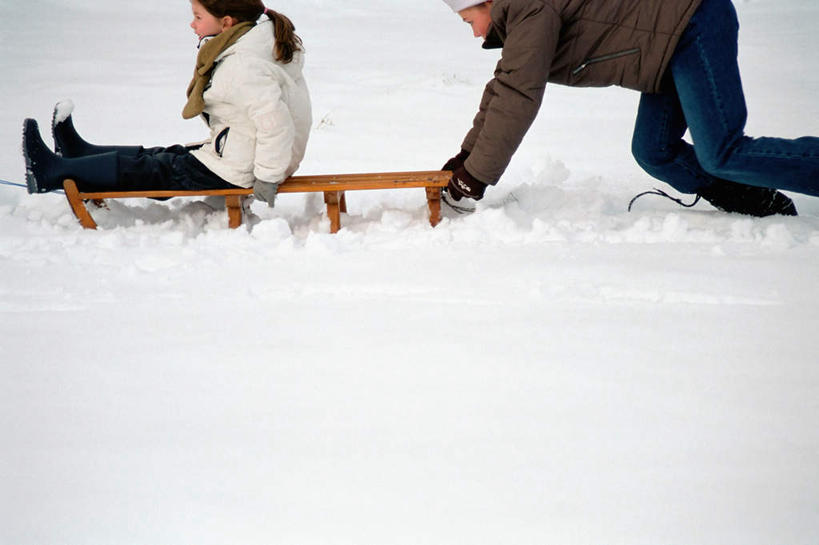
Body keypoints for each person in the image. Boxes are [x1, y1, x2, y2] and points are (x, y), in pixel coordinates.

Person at [440, 0, 819, 217]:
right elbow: (504, 86)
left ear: (487, 2)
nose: (475, 32)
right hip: (667, 44)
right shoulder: (523, 14)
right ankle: (755, 198)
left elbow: (517, 95)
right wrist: (466, 158)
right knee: (654, 151)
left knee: (721, 151)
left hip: (692, 22)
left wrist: (476, 176)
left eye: (470, 20)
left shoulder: (530, 9)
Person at [23, 0, 311, 208]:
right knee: (162, 156)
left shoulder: (245, 65)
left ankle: (53, 172)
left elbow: (276, 124)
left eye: (198, 16)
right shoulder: (253, 46)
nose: (192, 24)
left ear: (226, 22)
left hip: (243, 167)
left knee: (155, 170)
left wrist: (267, 177)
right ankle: (79, 154)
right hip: (241, 154)